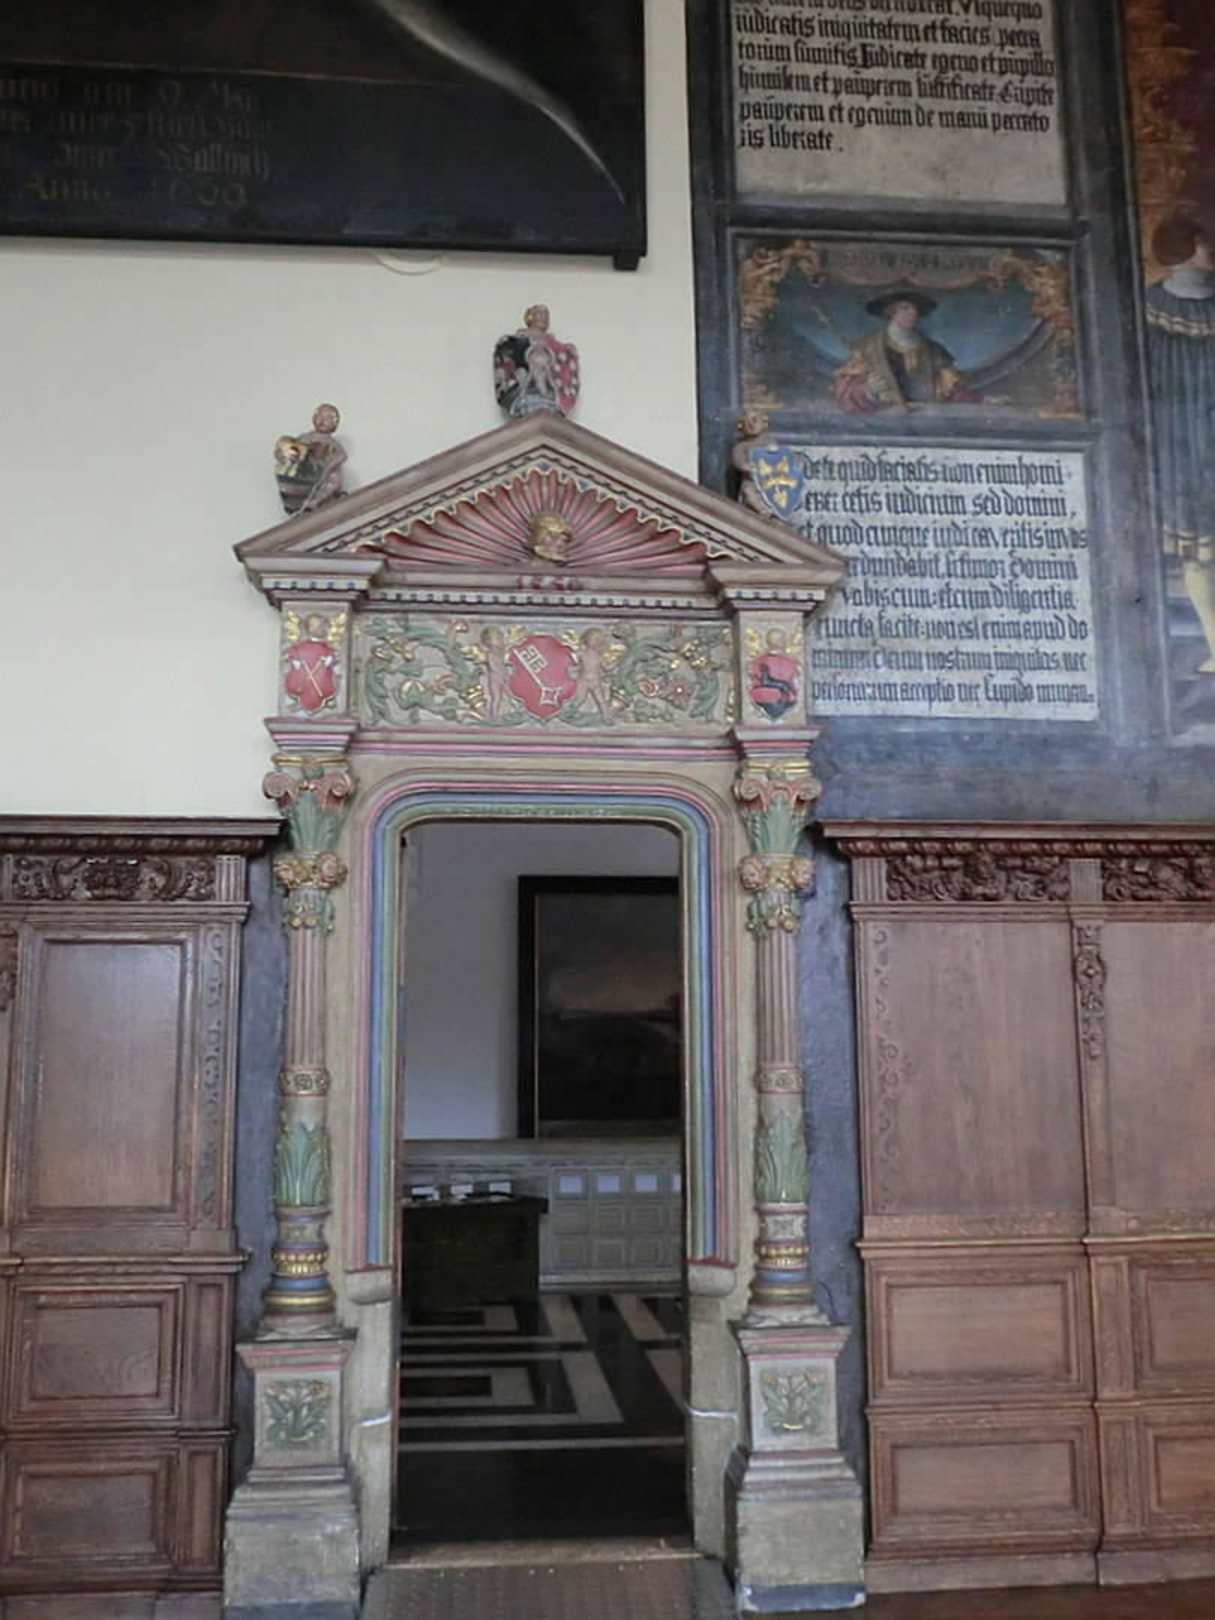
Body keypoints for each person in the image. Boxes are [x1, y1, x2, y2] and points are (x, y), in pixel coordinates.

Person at [1146, 214, 1215, 675]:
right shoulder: (1152, 305)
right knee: (1199, 552)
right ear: (1184, 250)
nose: (1210, 251)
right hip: (1182, 437)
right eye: (1202, 243)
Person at [833, 288, 975, 412]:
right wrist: (868, 391)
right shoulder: (867, 348)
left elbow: (953, 389)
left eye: (915, 309)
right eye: (905, 308)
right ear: (890, 311)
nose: (913, 312)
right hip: (882, 420)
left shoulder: (934, 351)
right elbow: (844, 391)